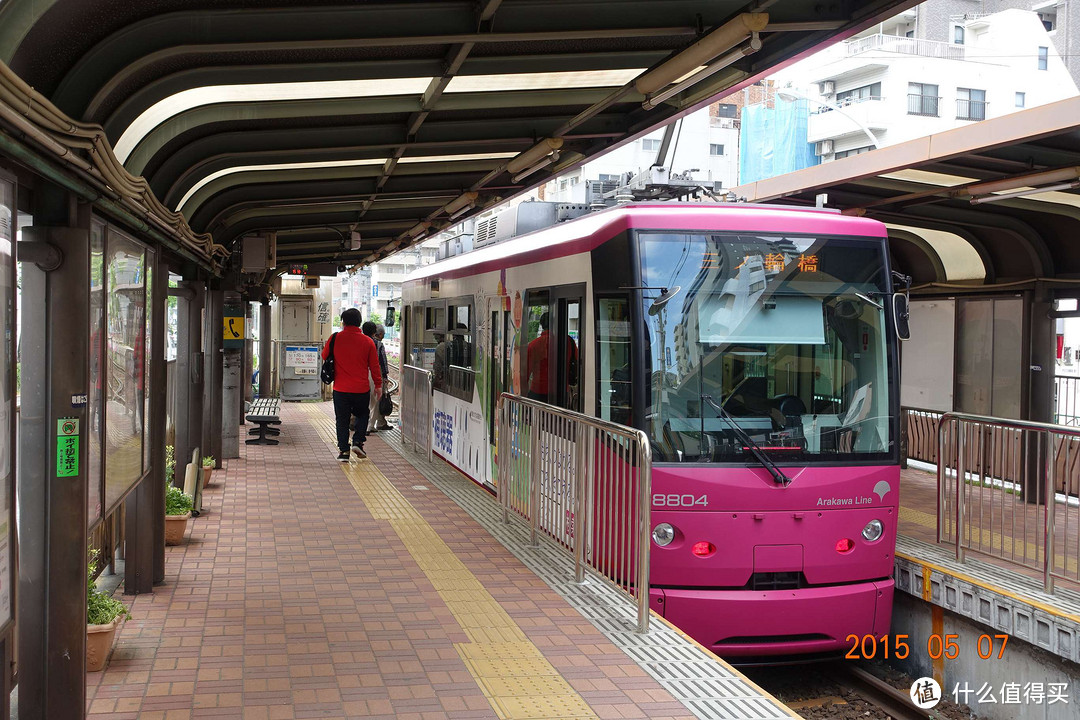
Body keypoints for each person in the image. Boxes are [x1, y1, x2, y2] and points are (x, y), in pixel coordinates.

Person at [322, 309, 381, 461]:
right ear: (359, 322)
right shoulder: (367, 341)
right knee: (363, 414)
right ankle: (358, 442)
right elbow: (375, 366)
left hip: (340, 388)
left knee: (342, 419)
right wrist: (379, 386)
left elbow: (324, 355)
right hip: (361, 389)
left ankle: (343, 452)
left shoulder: (335, 338)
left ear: (343, 322)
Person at [525, 312, 578, 404]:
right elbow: (577, 362)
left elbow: (526, 372)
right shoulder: (569, 342)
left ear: (541, 325)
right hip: (562, 391)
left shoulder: (533, 345)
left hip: (538, 392)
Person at [365, 323, 391, 432]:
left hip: (361, 372)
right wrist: (385, 375)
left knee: (364, 399)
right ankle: (370, 426)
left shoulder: (360, 341)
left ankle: (362, 424)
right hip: (374, 372)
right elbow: (382, 361)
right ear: (376, 333)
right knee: (375, 399)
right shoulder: (378, 344)